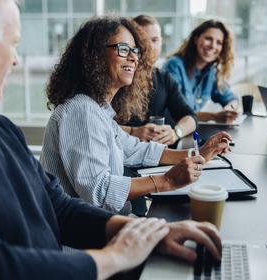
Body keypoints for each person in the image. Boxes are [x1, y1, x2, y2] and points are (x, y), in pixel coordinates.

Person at [0, 1, 224, 279]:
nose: (16, 59)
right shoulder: (80, 111)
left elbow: (57, 205)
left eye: (135, 51)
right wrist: (115, 256)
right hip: (72, 260)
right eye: (14, 43)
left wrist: (149, 232)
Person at [40, 16, 232, 214]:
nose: (133, 57)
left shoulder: (98, 109)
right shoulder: (81, 111)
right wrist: (167, 180)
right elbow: (99, 191)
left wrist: (200, 153)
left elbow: (136, 150)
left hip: (105, 227)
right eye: (123, 49)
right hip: (84, 241)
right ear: (94, 55)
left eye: (135, 51)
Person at [119, 15, 197, 146]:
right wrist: (133, 132)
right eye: (142, 41)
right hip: (123, 156)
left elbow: (190, 117)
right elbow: (99, 123)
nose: (149, 46)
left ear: (161, 42)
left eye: (154, 40)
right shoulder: (119, 76)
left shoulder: (164, 78)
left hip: (156, 157)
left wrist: (176, 132)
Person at [163, 19, 239, 123]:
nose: (213, 46)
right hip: (171, 132)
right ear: (196, 39)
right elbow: (178, 112)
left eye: (219, 42)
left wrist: (229, 110)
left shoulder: (211, 71)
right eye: (208, 39)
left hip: (191, 130)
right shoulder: (174, 66)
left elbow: (231, 98)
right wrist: (214, 116)